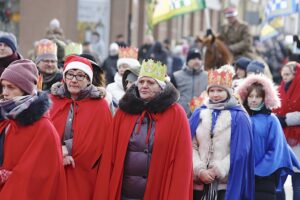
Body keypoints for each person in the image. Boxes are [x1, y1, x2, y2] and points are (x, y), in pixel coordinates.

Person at [93, 59, 193, 199]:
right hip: (125, 193)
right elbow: (111, 153)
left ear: (161, 87)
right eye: (141, 82)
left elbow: (182, 161)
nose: (144, 86)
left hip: (158, 191)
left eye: (150, 83)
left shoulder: (176, 113)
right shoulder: (125, 111)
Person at [0, 59, 67, 200]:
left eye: (11, 87)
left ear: (25, 89)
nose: (4, 93)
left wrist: (10, 177)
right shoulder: (8, 119)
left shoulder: (44, 128)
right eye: (3, 87)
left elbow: (41, 178)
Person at [49, 55, 112, 200]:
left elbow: (99, 142)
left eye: (80, 76)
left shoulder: (100, 106)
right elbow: (43, 135)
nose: (74, 80)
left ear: (89, 80)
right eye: (70, 74)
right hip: (54, 169)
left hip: (84, 173)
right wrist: (59, 152)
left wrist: (69, 148)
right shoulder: (52, 101)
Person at [189, 64, 254, 200]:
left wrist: (217, 170)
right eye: (212, 90)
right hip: (198, 183)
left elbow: (241, 150)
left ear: (228, 92)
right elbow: (190, 145)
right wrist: (199, 170)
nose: (215, 94)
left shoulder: (239, 117)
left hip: (224, 185)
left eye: (219, 90)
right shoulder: (199, 113)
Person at [237, 74, 300, 200]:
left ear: (264, 98)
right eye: (251, 96)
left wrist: (258, 171)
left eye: (258, 96)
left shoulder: (272, 120)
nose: (253, 100)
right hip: (242, 179)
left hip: (264, 179)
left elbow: (276, 150)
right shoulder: (241, 118)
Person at [273, 61, 300, 200]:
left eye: (288, 74)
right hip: (283, 137)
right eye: (283, 75)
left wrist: (286, 119)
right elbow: (275, 107)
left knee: (297, 181)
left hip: (298, 139)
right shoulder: (280, 89)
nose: (285, 77)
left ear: (296, 75)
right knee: (278, 182)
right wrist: (277, 118)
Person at [172, 48, 208, 116]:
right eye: (193, 58)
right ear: (187, 61)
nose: (197, 61)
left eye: (199, 59)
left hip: (202, 117)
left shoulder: (207, 76)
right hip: (181, 116)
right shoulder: (176, 76)